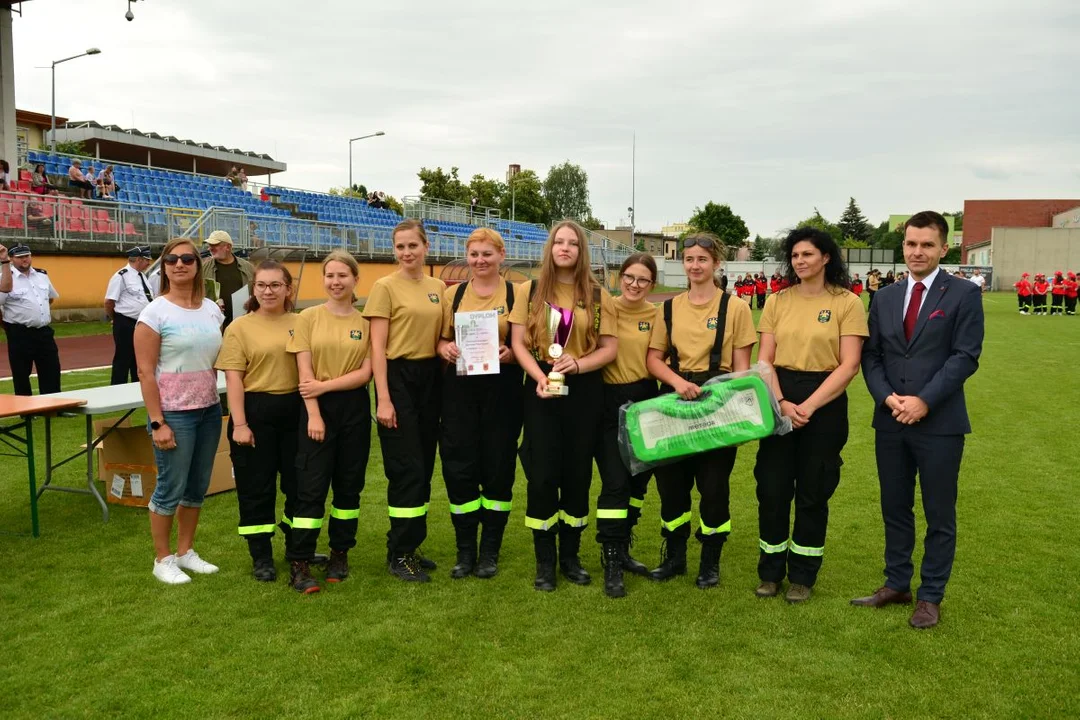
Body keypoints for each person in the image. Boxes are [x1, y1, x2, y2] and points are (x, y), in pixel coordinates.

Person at [854, 211, 984, 629]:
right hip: (890, 420)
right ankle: (896, 583)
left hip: (939, 423)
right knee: (894, 507)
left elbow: (965, 357)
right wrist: (886, 396)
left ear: (943, 248)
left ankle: (930, 596)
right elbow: (871, 356)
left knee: (939, 512)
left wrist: (924, 401)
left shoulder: (963, 294)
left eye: (927, 245)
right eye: (911, 244)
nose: (917, 252)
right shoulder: (886, 296)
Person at [753, 228, 868, 603]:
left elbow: (849, 365)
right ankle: (770, 572)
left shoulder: (846, 303)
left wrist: (809, 406)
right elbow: (764, 361)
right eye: (795, 255)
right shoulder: (777, 301)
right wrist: (783, 403)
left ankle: (802, 575)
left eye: (808, 254)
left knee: (813, 492)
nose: (800, 261)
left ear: (826, 258)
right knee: (772, 489)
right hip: (779, 398)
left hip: (825, 403)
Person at [509, 219, 618, 592]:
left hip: (584, 387)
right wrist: (538, 376)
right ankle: (545, 562)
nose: (566, 248)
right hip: (540, 383)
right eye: (559, 242)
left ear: (581, 251)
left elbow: (609, 349)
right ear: (550, 248)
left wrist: (579, 364)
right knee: (541, 473)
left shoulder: (598, 295)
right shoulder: (531, 290)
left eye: (573, 242)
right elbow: (519, 343)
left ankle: (570, 557)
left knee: (576, 474)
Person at [645, 233, 756, 588]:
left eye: (702, 260)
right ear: (683, 263)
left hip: (717, 404)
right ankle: (675, 556)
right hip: (675, 401)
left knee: (713, 488)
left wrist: (720, 395)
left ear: (716, 263)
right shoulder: (670, 308)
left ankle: (710, 560)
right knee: (671, 487)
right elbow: (654, 359)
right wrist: (678, 384)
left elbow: (741, 368)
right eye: (689, 259)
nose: (695, 265)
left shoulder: (735, 307)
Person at [134, 238, 224, 585]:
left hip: (208, 409)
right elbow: (145, 371)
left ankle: (186, 551)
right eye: (171, 259)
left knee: (197, 486)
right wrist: (158, 422)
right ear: (164, 266)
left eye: (187, 258)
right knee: (170, 487)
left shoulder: (211, 310)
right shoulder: (154, 313)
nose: (179, 264)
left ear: (198, 265)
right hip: (173, 413)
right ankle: (163, 558)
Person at [436, 228, 522, 580]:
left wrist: (512, 352)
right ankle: (465, 550)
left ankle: (489, 551)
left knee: (498, 467)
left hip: (502, 391)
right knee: (459, 468)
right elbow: (439, 342)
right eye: (474, 254)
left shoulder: (518, 293)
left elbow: (528, 343)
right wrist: (446, 349)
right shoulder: (452, 295)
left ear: (501, 255)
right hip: (459, 392)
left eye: (487, 254)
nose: (480, 261)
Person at [285, 251, 373, 593]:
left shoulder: (365, 323)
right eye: (330, 276)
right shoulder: (307, 317)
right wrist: (315, 412)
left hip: (353, 408)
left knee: (349, 487)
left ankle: (340, 554)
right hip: (314, 410)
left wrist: (326, 386)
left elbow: (366, 373)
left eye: (342, 276)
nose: (336, 282)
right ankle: (300, 561)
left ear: (355, 279)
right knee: (311, 488)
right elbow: (304, 374)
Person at [365, 219, 447, 582]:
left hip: (431, 379)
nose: (407, 252)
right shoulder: (384, 287)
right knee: (406, 468)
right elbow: (377, 348)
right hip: (397, 380)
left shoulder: (438, 287)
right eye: (400, 247)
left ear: (425, 246)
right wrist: (383, 398)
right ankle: (399, 553)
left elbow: (444, 336)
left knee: (424, 466)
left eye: (413, 245)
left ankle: (411, 543)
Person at [215, 260, 303, 584]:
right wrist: (239, 424)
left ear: (288, 289)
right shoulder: (239, 327)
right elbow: (234, 380)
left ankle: (297, 550)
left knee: (298, 486)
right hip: (255, 411)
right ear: (254, 289)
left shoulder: (302, 322)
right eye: (262, 285)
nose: (268, 291)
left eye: (275, 285)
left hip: (295, 411)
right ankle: (261, 556)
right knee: (256, 488)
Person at [592, 253, 660, 598]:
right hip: (608, 402)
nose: (635, 285)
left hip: (646, 400)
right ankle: (611, 558)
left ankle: (624, 547)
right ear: (619, 278)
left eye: (643, 280)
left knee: (637, 484)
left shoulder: (658, 315)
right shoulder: (604, 308)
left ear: (652, 284)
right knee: (615, 484)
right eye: (630, 277)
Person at [0, 244, 61, 395]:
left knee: (51, 369)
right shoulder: (4, 278)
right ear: (12, 259)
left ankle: (53, 408)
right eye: (20, 257)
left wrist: (38, 314)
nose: (24, 260)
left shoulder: (41, 274)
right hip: (19, 332)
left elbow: (50, 298)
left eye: (27, 256)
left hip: (43, 331)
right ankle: (27, 412)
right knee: (21, 373)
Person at [105, 246, 155, 385]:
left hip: (142, 323)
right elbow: (109, 301)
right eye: (147, 260)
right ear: (138, 259)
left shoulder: (142, 276)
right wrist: (115, 319)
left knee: (139, 358)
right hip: (125, 322)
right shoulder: (121, 276)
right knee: (123, 358)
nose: (149, 263)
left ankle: (137, 387)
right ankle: (117, 389)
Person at [202, 230, 255, 331]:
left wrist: (253, 300)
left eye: (215, 245)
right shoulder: (204, 269)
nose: (210, 248)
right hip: (214, 325)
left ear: (228, 247)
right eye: (209, 245)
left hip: (242, 325)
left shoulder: (248, 268)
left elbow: (258, 290)